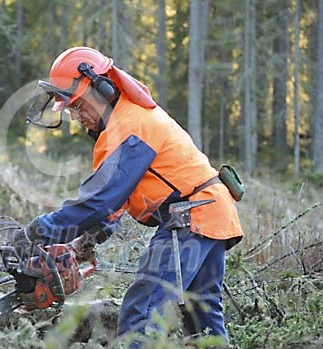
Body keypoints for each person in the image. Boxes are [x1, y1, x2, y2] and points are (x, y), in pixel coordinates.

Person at [13, 46, 243, 346]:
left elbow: (99, 201)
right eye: (70, 109)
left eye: (79, 105)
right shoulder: (127, 122)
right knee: (203, 315)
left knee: (142, 311)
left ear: (103, 87)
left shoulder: (131, 126)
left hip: (191, 215)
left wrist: (39, 231)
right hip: (212, 211)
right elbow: (118, 199)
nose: (76, 115)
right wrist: (88, 239)